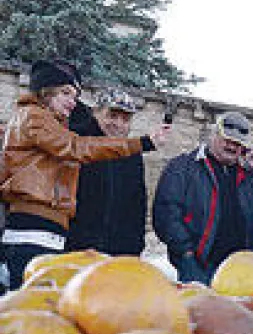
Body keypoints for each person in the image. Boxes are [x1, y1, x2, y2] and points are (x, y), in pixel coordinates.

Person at [1, 61, 166, 286]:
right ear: (45, 92)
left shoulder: (55, 125)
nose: (73, 100)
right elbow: (77, 147)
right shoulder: (34, 117)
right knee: (29, 298)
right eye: (66, 93)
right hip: (33, 226)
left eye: (76, 95)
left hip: (52, 228)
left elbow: (136, 203)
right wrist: (144, 142)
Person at [153, 112, 253, 284]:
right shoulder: (183, 167)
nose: (232, 146)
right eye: (227, 140)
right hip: (199, 266)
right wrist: (185, 253)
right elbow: (166, 212)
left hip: (240, 270)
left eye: (238, 143)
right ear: (214, 135)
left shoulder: (251, 175)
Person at [65, 88, 150, 256]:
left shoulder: (133, 155)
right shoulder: (78, 142)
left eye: (125, 119)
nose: (118, 124)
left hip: (119, 252)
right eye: (112, 115)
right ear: (96, 112)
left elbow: (138, 205)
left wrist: (135, 248)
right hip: (77, 247)